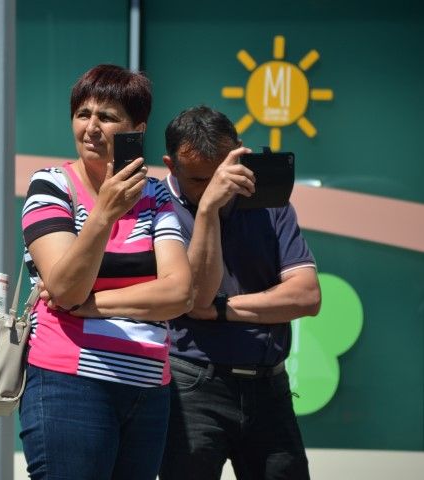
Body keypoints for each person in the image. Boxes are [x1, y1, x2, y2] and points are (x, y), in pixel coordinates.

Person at [19, 64, 194, 480]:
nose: (92, 127)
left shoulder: (154, 195)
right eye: (83, 114)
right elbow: (65, 287)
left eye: (108, 117)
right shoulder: (52, 185)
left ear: (137, 129)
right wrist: (104, 213)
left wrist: (93, 306)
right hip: (69, 383)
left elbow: (180, 293)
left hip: (149, 388)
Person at [158, 105, 322, 480]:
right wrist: (208, 211)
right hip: (193, 383)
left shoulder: (270, 201)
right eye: (200, 180)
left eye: (223, 174)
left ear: (239, 154)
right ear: (171, 166)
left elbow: (307, 296)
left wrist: (220, 310)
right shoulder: (156, 206)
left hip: (269, 384)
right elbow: (197, 295)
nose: (216, 187)